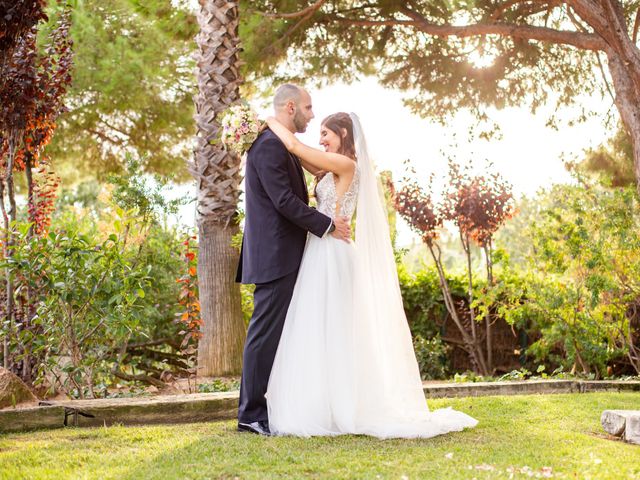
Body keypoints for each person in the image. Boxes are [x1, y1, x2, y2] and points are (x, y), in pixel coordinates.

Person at [264, 109, 478, 438]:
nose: (320, 139)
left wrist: (265, 120)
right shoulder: (329, 166)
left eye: (327, 133)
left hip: (334, 253)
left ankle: (343, 406)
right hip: (320, 250)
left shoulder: (347, 166)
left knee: (334, 328)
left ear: (345, 135)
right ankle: (322, 402)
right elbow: (304, 158)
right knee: (316, 326)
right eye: (319, 133)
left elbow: (294, 147)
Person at [235, 84, 351, 436]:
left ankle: (270, 408)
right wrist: (328, 224)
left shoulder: (276, 143)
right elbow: (284, 201)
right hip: (275, 255)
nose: (312, 114)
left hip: (283, 254)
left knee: (280, 336)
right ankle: (250, 414)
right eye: (309, 107)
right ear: (291, 107)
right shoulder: (269, 146)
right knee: (263, 335)